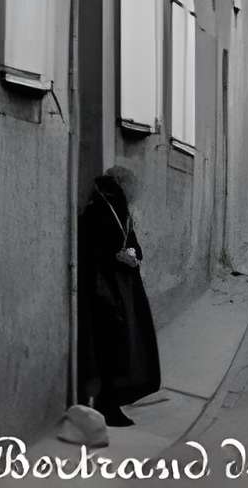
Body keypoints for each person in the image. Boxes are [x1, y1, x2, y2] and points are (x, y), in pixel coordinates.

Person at [78, 164, 161, 428]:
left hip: (121, 290)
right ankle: (106, 404)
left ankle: (110, 401)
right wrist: (119, 256)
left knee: (121, 346)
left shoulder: (118, 210)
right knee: (111, 347)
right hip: (107, 291)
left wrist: (133, 255)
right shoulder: (99, 209)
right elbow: (93, 250)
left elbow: (132, 243)